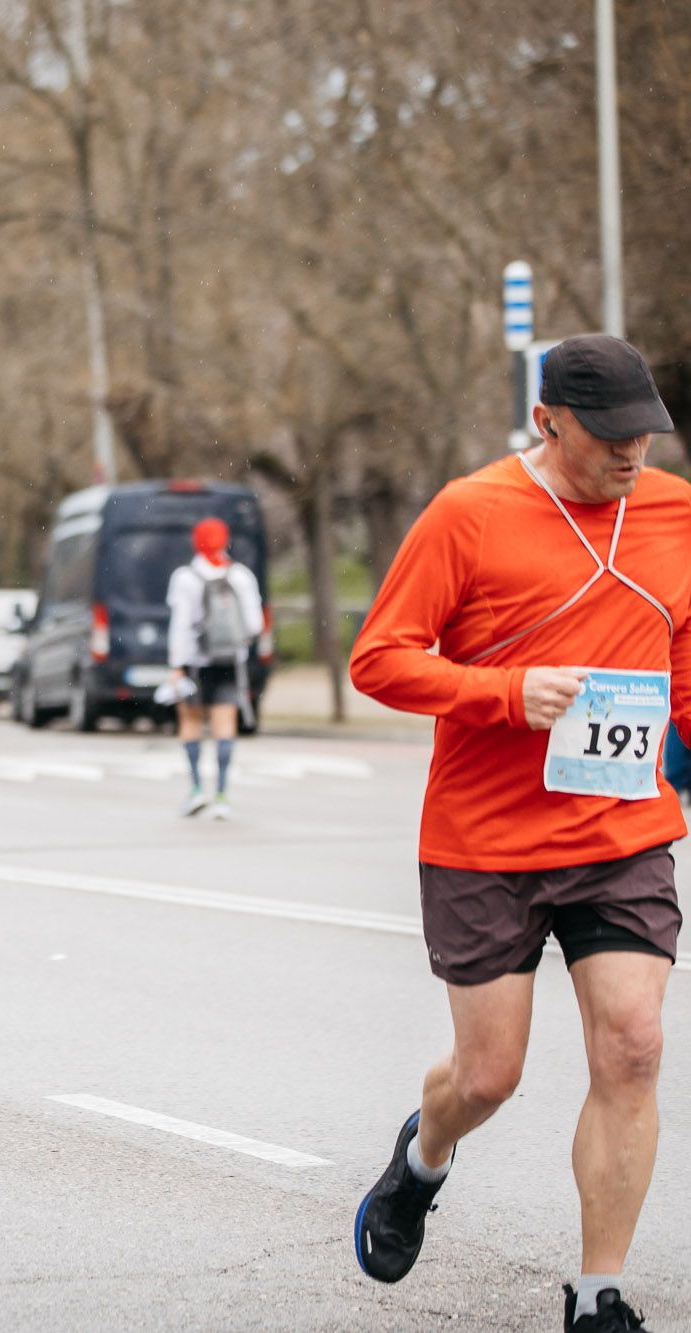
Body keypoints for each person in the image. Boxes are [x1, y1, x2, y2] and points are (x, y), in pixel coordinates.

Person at [347, 335, 682, 1333]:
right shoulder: (468, 513)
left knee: (632, 1045)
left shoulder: (672, 511)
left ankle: (596, 1293)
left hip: (620, 830)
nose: (632, 454)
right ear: (546, 421)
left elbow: (684, 647)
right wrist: (502, 692)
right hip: (483, 841)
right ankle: (420, 1159)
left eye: (645, 434)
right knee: (487, 1075)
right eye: (609, 436)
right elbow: (377, 659)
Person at [165, 518, 264, 820]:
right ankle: (221, 794)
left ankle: (196, 790)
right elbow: (255, 624)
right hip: (229, 663)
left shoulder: (185, 577)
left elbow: (180, 625)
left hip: (195, 663)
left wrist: (176, 666)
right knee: (225, 727)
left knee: (191, 723)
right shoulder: (241, 576)